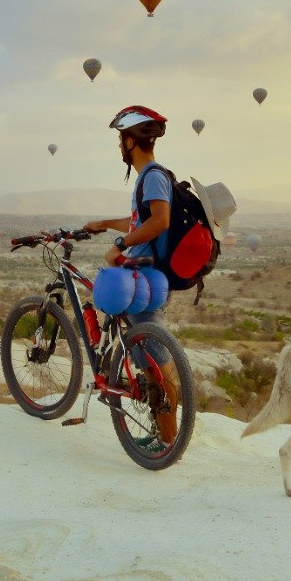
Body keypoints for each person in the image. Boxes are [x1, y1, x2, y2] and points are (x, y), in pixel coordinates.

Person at [84, 105, 180, 448]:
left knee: (157, 361)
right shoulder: (151, 177)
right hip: (144, 276)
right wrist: (106, 224)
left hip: (145, 278)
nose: (118, 147)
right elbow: (142, 221)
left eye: (120, 140)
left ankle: (168, 441)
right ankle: (164, 432)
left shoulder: (152, 176)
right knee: (151, 358)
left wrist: (119, 245)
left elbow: (160, 221)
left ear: (129, 142)